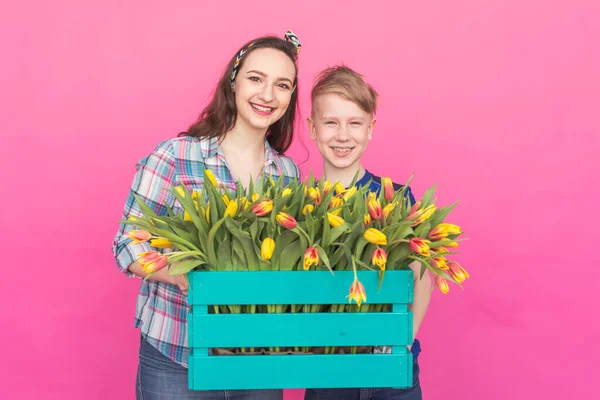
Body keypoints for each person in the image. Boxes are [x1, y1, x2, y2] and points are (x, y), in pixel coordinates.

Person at [112, 31, 303, 400]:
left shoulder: (288, 174)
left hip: (258, 359)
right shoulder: (175, 156)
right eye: (255, 78)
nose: (267, 95)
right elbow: (127, 244)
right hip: (177, 351)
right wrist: (185, 276)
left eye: (282, 85)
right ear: (233, 81)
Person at [304, 66, 432, 400]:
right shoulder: (297, 204)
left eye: (355, 123)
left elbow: (421, 275)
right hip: (326, 371)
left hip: (390, 372)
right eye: (331, 122)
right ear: (312, 128)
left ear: (371, 128)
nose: (343, 135)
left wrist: (402, 340)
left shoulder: (397, 198)